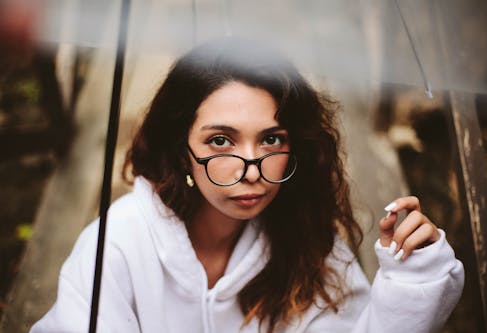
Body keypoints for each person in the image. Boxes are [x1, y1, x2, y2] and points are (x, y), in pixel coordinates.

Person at [31, 37, 464, 333]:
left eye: (271, 139)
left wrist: (411, 279)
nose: (253, 169)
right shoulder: (118, 246)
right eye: (221, 141)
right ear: (183, 149)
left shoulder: (307, 240)